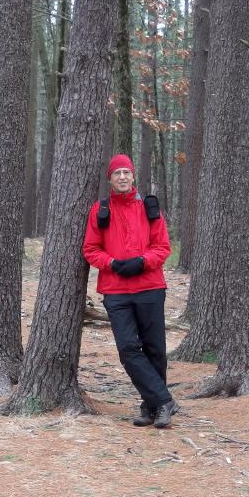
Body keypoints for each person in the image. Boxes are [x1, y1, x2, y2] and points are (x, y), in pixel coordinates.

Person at [83, 154, 179, 428]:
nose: (122, 177)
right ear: (110, 179)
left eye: (127, 172)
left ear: (133, 176)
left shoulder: (150, 207)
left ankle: (152, 408)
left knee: (155, 350)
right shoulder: (100, 210)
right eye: (117, 173)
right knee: (128, 349)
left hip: (150, 287)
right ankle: (164, 400)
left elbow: (163, 247)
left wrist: (141, 262)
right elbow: (90, 249)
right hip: (116, 291)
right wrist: (112, 263)